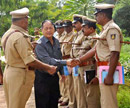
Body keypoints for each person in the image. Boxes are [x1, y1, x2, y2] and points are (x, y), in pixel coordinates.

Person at [1, 7, 57, 108]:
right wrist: (49, 68)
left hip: (10, 71)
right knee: (17, 105)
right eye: (27, 20)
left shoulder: (8, 33)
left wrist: (30, 46)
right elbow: (30, 61)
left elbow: (15, 52)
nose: (27, 23)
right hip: (19, 74)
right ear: (23, 21)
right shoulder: (19, 36)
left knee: (12, 104)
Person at [72, 3, 123, 108]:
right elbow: (96, 49)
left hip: (109, 69)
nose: (96, 18)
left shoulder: (112, 29)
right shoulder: (105, 29)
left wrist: (109, 76)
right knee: (104, 101)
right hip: (103, 68)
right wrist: (80, 59)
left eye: (97, 15)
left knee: (109, 103)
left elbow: (115, 53)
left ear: (103, 15)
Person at [34, 20, 76, 108]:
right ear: (42, 30)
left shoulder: (56, 41)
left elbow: (59, 57)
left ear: (54, 29)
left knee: (53, 102)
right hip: (42, 78)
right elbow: (48, 61)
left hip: (54, 77)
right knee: (43, 103)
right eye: (46, 28)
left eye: (50, 28)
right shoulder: (39, 44)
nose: (48, 30)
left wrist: (62, 72)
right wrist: (66, 62)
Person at [80, 16, 100, 108]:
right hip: (83, 69)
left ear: (91, 29)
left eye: (84, 27)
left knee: (92, 96)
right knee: (86, 94)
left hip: (91, 69)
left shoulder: (96, 39)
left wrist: (96, 75)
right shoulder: (86, 38)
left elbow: (97, 59)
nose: (82, 29)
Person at [59, 20, 74, 107]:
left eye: (68, 27)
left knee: (69, 82)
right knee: (64, 80)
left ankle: (69, 99)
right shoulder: (65, 36)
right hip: (63, 60)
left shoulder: (73, 35)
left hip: (69, 59)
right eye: (65, 27)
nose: (66, 28)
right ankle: (64, 96)